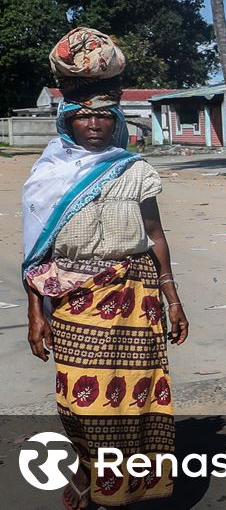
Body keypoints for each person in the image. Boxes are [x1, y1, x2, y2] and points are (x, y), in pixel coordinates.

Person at [23, 27, 188, 509]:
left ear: (115, 120)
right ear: (68, 121)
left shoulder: (134, 169)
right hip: (74, 303)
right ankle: (84, 472)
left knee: (134, 401)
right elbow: (36, 253)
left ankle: (121, 491)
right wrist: (37, 313)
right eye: (83, 116)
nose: (93, 124)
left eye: (103, 115)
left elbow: (155, 236)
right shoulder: (48, 176)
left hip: (136, 302)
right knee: (84, 404)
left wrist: (172, 299)